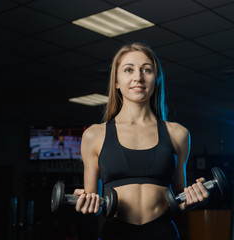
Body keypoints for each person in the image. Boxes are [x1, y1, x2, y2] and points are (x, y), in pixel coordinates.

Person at [73, 42, 208, 240]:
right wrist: (86, 203)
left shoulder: (178, 133)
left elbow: (179, 199)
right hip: (115, 234)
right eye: (129, 70)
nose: (138, 77)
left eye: (147, 70)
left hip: (163, 233)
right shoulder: (94, 135)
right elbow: (94, 205)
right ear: (117, 81)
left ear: (156, 80)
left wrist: (193, 198)